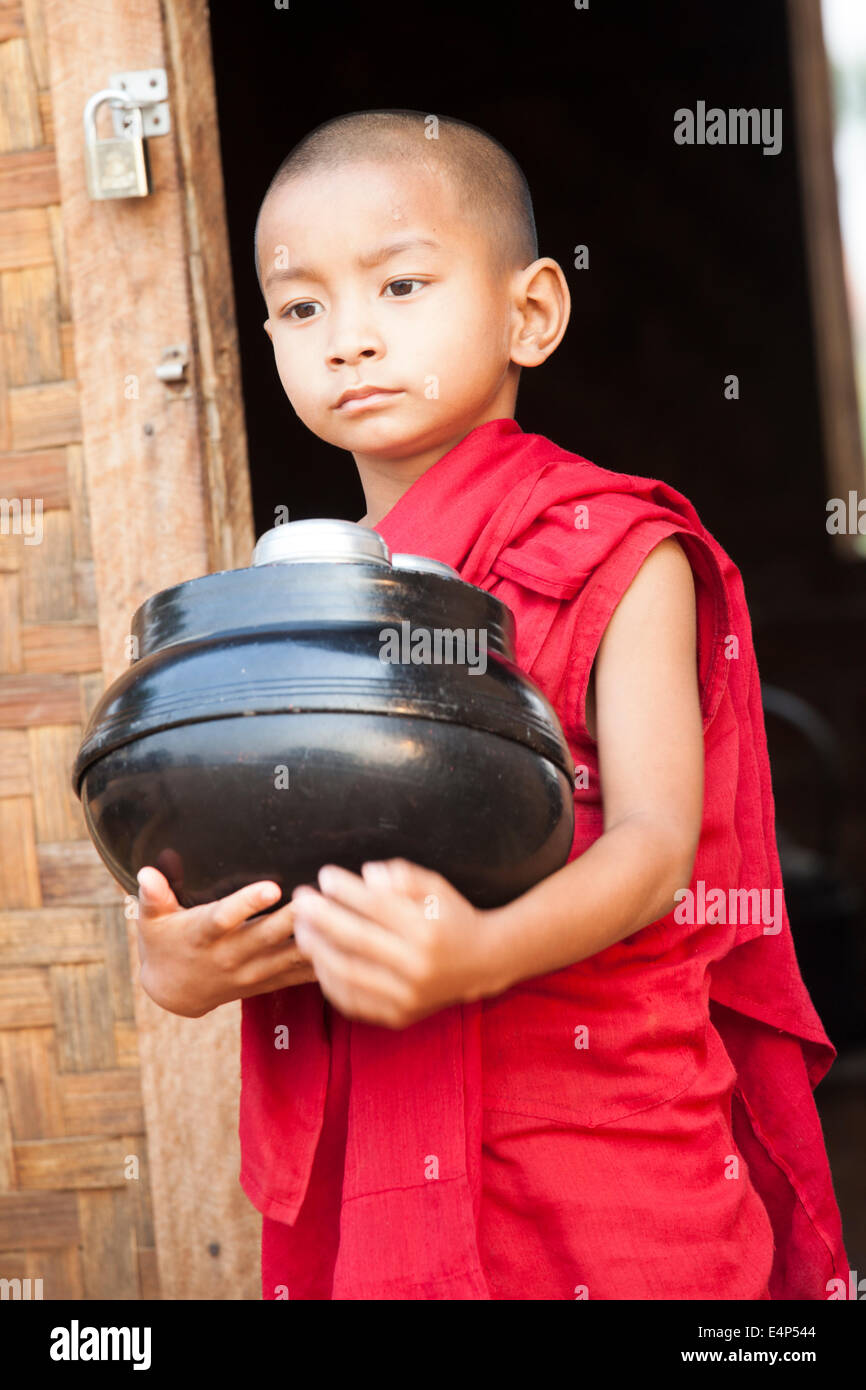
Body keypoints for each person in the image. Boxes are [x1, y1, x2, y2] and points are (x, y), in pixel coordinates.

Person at [135, 108, 848, 1300]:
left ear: (530, 312)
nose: (348, 340)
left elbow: (657, 846)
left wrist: (477, 954)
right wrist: (188, 964)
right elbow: (246, 866)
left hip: (593, 1147)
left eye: (400, 285)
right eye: (303, 309)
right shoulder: (285, 604)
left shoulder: (620, 548)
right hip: (364, 1168)